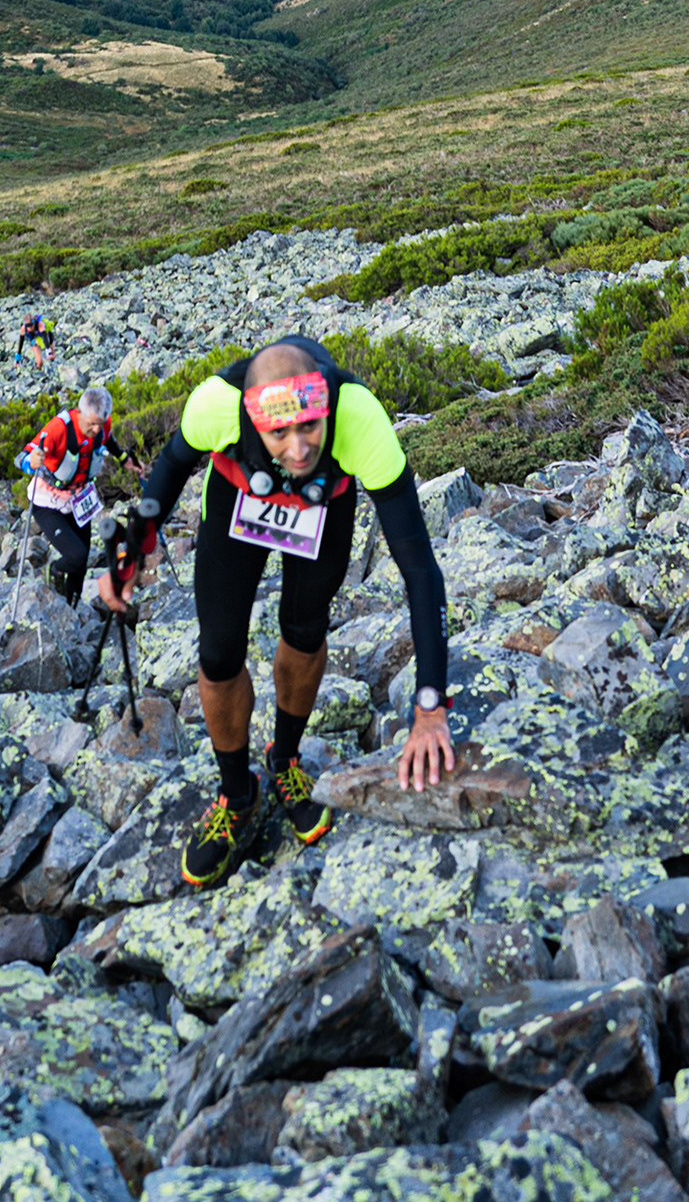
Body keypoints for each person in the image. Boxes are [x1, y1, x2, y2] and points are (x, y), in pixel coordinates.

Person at [97, 334, 454, 892]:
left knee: (305, 631)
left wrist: (430, 706)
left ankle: (284, 759)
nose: (298, 448)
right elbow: (169, 470)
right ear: (251, 418)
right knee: (218, 654)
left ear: (326, 409)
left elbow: (421, 570)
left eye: (309, 426)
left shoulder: (358, 417)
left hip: (324, 507)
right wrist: (131, 551)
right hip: (237, 499)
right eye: (278, 432)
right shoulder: (217, 404)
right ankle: (236, 794)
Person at [20, 387, 114, 604]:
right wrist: (30, 462)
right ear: (80, 413)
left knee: (81, 563)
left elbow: (109, 440)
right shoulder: (58, 428)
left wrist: (127, 459)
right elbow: (23, 457)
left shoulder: (102, 426)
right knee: (76, 555)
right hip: (47, 502)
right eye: (91, 424)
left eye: (100, 424)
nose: (96, 429)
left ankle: (72, 607)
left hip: (79, 500)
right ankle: (53, 570)